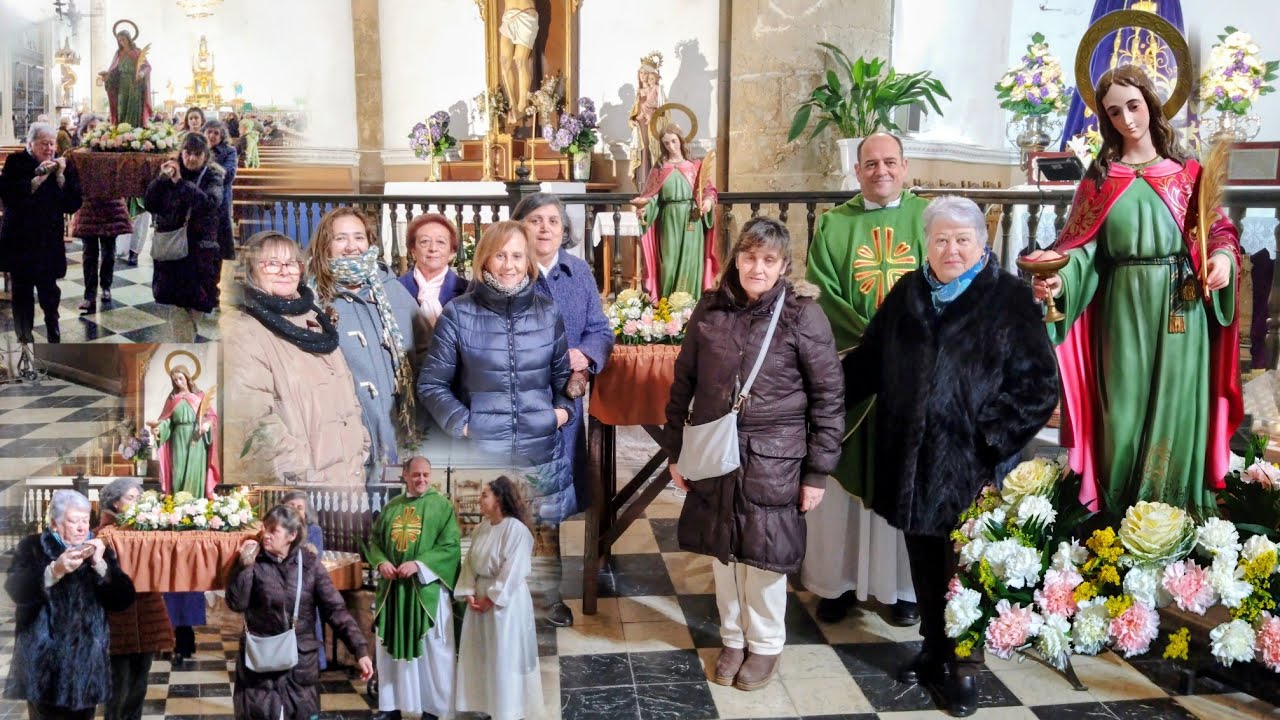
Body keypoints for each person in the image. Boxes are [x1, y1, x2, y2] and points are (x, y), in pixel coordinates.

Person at [844, 196, 1058, 716]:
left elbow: (1039, 386)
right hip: (913, 461)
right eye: (940, 239)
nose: (951, 250)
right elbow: (868, 362)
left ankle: (965, 668)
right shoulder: (908, 292)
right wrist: (816, 393)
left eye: (962, 240)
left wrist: (989, 439)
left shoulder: (1009, 298)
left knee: (968, 568)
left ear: (982, 244)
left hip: (973, 467)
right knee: (923, 558)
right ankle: (934, 649)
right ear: (926, 244)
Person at [1027, 64, 1243, 517]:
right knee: (1120, 413)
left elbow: (1218, 232)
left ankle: (1175, 519)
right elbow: (1081, 249)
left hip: (1181, 304)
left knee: (1177, 410)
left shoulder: (1188, 174)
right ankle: (1115, 518)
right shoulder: (1100, 180)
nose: (1127, 119)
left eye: (1133, 106)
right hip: (1121, 308)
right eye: (1114, 112)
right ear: (1105, 119)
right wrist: (1060, 279)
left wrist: (1222, 259)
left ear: (1150, 104)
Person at [664, 217, 844, 691]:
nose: (757, 268)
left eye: (768, 259)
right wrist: (675, 450)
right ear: (736, 259)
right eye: (749, 257)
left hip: (774, 456)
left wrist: (817, 473)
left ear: (784, 265)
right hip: (714, 450)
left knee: (764, 556)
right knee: (722, 552)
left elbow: (828, 397)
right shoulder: (710, 308)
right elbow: (684, 381)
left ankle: (764, 644)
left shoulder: (803, 315)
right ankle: (732, 637)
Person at [801, 132, 926, 627]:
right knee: (842, 472)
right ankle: (838, 583)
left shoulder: (928, 219)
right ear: (856, 171)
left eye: (890, 162)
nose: (881, 171)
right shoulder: (834, 224)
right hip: (852, 366)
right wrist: (875, 341)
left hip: (912, 371)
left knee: (903, 476)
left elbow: (945, 280)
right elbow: (822, 290)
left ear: (905, 166)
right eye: (871, 164)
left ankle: (903, 589)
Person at [512, 193, 614, 627]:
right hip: (514, 403)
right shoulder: (507, 268)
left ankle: (546, 594)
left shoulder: (579, 272)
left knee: (548, 502)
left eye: (553, 221)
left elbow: (600, 329)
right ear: (520, 226)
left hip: (563, 409)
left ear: (564, 230)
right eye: (535, 220)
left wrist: (585, 355)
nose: (545, 228)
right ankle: (508, 591)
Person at [418, 219, 574, 476]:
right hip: (479, 457)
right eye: (499, 255)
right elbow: (431, 385)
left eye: (517, 256)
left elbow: (562, 378)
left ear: (528, 261)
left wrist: (560, 414)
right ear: (485, 260)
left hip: (542, 458)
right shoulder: (458, 312)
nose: (509, 265)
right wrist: (467, 425)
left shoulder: (548, 311)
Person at [222, 231, 370, 485]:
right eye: (271, 264)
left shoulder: (315, 320)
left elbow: (347, 392)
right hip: (303, 487)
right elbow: (253, 421)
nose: (284, 271)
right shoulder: (242, 329)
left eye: (291, 263)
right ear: (250, 270)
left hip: (350, 478)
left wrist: (360, 444)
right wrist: (300, 472)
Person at [309, 207, 427, 485]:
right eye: (340, 238)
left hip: (398, 438)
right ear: (325, 244)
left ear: (370, 242)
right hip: (345, 443)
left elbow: (426, 357)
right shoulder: (311, 297)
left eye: (358, 237)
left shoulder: (392, 290)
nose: (352, 246)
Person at [226, 506, 374, 720]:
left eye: (273, 530)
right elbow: (236, 603)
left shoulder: (310, 565)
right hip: (259, 663)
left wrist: (360, 650)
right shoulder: (253, 560)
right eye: (264, 528)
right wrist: (244, 566)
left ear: (292, 535)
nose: (265, 535)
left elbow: (335, 610)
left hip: (299, 665)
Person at [4, 490, 136, 720]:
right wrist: (55, 571)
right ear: (55, 524)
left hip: (87, 666)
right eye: (74, 521)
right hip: (43, 666)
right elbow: (15, 589)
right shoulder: (32, 546)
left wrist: (100, 567)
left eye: (85, 520)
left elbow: (123, 600)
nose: (82, 527)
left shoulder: (99, 551)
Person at [365, 456, 461, 720]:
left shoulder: (441, 506)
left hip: (426, 591)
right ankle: (390, 707)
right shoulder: (392, 506)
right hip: (394, 591)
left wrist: (419, 565)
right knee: (389, 651)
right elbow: (374, 542)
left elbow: (450, 547)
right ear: (405, 475)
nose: (421, 480)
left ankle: (434, 709)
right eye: (416, 474)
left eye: (426, 475)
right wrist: (381, 562)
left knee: (433, 653)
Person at [454, 476, 543, 720]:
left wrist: (491, 599)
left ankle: (508, 709)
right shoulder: (481, 528)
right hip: (480, 597)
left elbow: (513, 570)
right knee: (483, 654)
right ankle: (487, 704)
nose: (479, 499)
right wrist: (469, 592)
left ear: (499, 500)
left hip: (506, 603)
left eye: (484, 495)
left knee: (504, 654)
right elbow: (470, 562)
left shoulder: (516, 530)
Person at [97, 479, 174, 720]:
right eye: (130, 498)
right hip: (119, 620)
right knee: (118, 689)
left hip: (147, 614)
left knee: (139, 687)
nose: (137, 502)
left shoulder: (147, 529)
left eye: (139, 498)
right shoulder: (104, 534)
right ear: (115, 503)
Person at [0, 122, 83, 344]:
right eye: (44, 144)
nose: (49, 148)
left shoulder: (61, 166)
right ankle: (24, 338)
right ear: (30, 144)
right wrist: (37, 180)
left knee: (49, 290)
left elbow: (73, 203)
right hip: (20, 239)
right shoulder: (15, 162)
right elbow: (8, 196)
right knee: (22, 291)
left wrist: (61, 177)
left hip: (48, 240)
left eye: (52, 144)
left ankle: (53, 329)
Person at [144, 131, 224, 342]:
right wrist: (160, 180)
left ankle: (186, 348)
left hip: (200, 251)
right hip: (173, 250)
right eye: (187, 153)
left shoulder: (213, 176)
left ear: (205, 155)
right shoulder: (170, 171)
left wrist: (180, 183)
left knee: (195, 305)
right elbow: (150, 204)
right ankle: (185, 351)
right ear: (181, 152)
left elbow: (210, 204)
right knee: (177, 307)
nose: (191, 158)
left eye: (197, 154)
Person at [632, 123, 718, 300]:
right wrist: (644, 209)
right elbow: (652, 196)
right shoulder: (660, 168)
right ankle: (667, 304)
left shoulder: (695, 166)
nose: (671, 146)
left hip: (692, 219)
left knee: (690, 262)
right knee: (668, 263)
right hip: (668, 219)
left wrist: (708, 202)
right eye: (666, 143)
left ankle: (688, 305)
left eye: (673, 141)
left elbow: (708, 190)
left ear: (680, 140)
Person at [71, 119, 132, 313]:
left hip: (109, 206)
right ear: (84, 131)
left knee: (108, 252)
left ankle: (106, 286)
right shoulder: (79, 153)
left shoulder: (113, 151)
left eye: (97, 127)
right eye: (91, 127)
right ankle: (89, 295)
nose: (94, 130)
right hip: (89, 207)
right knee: (89, 254)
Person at [147, 365, 219, 498]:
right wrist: (159, 429)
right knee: (178, 471)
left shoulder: (199, 396)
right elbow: (167, 421)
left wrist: (207, 425)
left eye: (180, 378)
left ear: (187, 377)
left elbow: (211, 416)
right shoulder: (172, 398)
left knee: (195, 471)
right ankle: (178, 502)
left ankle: (196, 503)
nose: (179, 382)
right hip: (178, 438)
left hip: (196, 438)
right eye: (175, 380)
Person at [397, 213, 469, 329]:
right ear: (413, 251)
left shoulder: (468, 291)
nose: (433, 248)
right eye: (424, 241)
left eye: (441, 242)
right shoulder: (395, 288)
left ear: (452, 253)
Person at [281, 491, 327, 670]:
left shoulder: (314, 530)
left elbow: (317, 558)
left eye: (299, 507)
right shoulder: (277, 529)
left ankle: (315, 663)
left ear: (306, 511)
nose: (295, 510)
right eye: (291, 506)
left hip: (304, 586)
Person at [628, 54, 668, 190]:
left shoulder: (657, 90)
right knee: (642, 151)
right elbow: (634, 111)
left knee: (650, 150)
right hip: (640, 127)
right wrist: (631, 120)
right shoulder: (639, 91)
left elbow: (664, 110)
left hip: (651, 126)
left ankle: (653, 184)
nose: (642, 75)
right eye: (641, 72)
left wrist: (654, 115)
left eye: (645, 73)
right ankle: (642, 185)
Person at [100, 27, 151, 127]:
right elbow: (114, 70)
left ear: (128, 39)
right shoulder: (119, 53)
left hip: (134, 84)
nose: (122, 42)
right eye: (119, 40)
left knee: (133, 108)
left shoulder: (137, 52)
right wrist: (107, 76)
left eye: (123, 39)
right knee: (121, 106)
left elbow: (147, 66)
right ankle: (122, 129)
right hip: (122, 85)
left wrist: (142, 73)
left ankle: (134, 130)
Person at [203, 119, 238, 263]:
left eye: (216, 133)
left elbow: (228, 174)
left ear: (222, 136)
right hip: (201, 197)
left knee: (220, 239)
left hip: (221, 199)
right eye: (209, 132)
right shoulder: (197, 149)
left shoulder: (229, 151)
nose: (212, 136)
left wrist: (207, 162)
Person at [498, 0, 538, 118]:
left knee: (520, 61)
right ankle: (512, 103)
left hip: (526, 14)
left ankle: (522, 105)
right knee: (504, 61)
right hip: (509, 16)